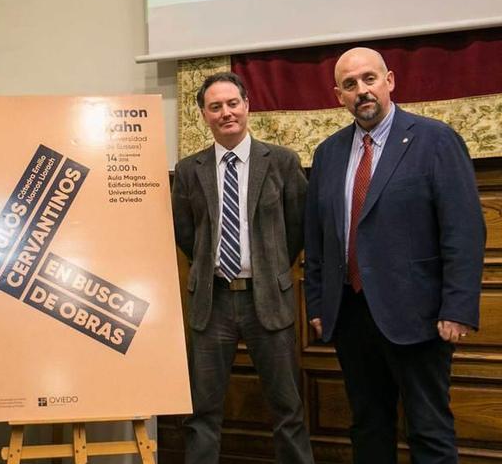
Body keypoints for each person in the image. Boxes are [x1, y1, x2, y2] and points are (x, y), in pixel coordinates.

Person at [304, 47, 485, 463]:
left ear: (390, 81)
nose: (361, 91)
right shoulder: (328, 153)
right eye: (350, 84)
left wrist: (457, 307)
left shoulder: (435, 139)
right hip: (350, 315)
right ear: (338, 95)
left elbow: (464, 229)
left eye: (369, 79)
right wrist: (318, 302)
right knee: (368, 428)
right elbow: (316, 238)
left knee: (429, 431)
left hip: (418, 317)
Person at [172, 72, 313, 464]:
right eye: (215, 106)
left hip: (267, 300)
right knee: (201, 414)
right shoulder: (189, 170)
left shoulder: (282, 162)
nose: (226, 113)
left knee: (288, 410)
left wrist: (269, 268)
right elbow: (186, 233)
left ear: (247, 105)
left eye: (232, 103)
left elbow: (298, 227)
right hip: (212, 303)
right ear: (203, 114)